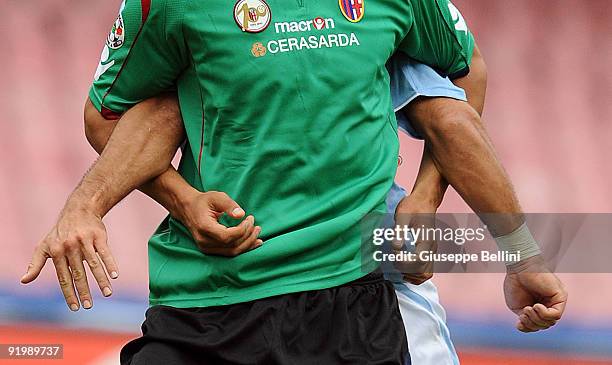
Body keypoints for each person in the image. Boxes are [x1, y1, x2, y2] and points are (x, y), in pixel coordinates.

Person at [21, 0, 567, 363]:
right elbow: (112, 115)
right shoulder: (174, 7)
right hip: (214, 298)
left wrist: (427, 199)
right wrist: (180, 201)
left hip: (360, 294)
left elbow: (460, 86)